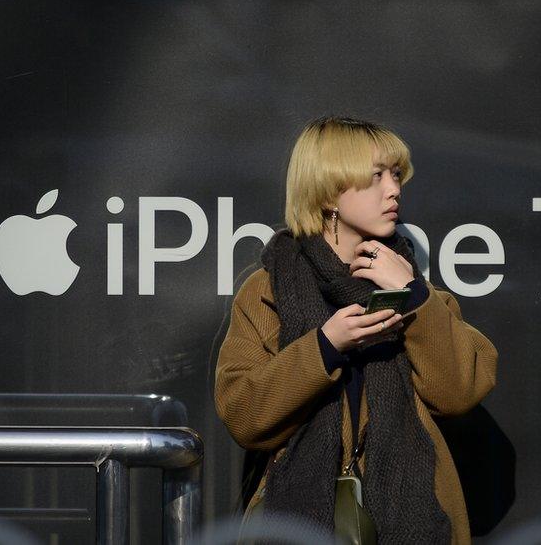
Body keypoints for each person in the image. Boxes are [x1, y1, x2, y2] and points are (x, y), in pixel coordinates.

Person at [213, 116, 498, 544]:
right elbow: (242, 413)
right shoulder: (268, 290)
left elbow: (460, 391)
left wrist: (414, 294)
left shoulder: (418, 291)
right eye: (376, 176)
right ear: (329, 192)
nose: (394, 189)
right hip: (297, 527)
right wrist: (325, 347)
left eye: (397, 175)